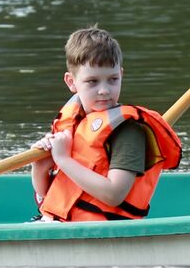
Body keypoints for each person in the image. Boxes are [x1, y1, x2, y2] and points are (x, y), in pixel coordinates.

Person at [30, 26, 181, 221]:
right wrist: (40, 167)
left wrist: (63, 160)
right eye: (92, 81)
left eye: (112, 79)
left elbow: (114, 195)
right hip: (57, 225)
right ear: (71, 82)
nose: (104, 90)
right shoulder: (73, 125)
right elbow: (48, 195)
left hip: (102, 233)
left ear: (121, 75)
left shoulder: (127, 131)